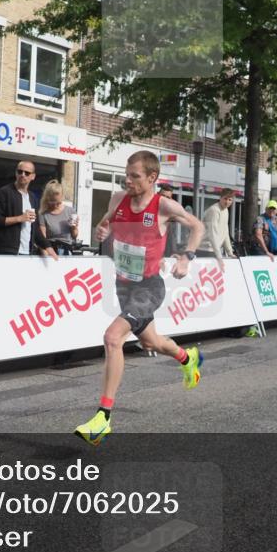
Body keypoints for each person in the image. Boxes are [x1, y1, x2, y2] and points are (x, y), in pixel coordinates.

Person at [74, 150, 205, 446]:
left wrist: (187, 256)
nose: (128, 179)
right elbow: (106, 223)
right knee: (151, 342)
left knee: (112, 338)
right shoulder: (117, 198)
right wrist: (102, 228)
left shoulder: (163, 206)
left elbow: (198, 227)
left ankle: (102, 418)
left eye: (135, 176)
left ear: (152, 178)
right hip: (124, 286)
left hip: (149, 287)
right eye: (127, 174)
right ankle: (188, 358)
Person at [0, 160, 57, 259]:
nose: (23, 175)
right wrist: (19, 218)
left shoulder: (32, 197)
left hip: (27, 252)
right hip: (6, 251)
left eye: (27, 173)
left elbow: (35, 227)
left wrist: (48, 247)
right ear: (16, 173)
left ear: (33, 176)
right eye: (20, 171)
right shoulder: (3, 193)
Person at [197, 188, 237, 269]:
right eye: (225, 199)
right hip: (205, 250)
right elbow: (213, 234)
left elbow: (225, 232)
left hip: (214, 250)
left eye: (230, 200)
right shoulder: (214, 210)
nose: (227, 202)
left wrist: (230, 252)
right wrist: (219, 256)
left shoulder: (225, 211)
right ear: (220, 198)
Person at [38, 179, 79, 254]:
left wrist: (74, 227)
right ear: (47, 199)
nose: (55, 205)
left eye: (58, 203)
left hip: (67, 251)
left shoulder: (70, 211)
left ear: (62, 197)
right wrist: (46, 257)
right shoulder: (43, 214)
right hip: (51, 250)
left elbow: (74, 236)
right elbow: (42, 239)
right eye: (52, 202)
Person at [158, 184, 181, 256]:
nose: (165, 199)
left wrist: (174, 252)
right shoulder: (148, 206)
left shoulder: (169, 214)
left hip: (160, 254)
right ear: (157, 195)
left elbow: (171, 236)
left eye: (168, 197)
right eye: (163, 196)